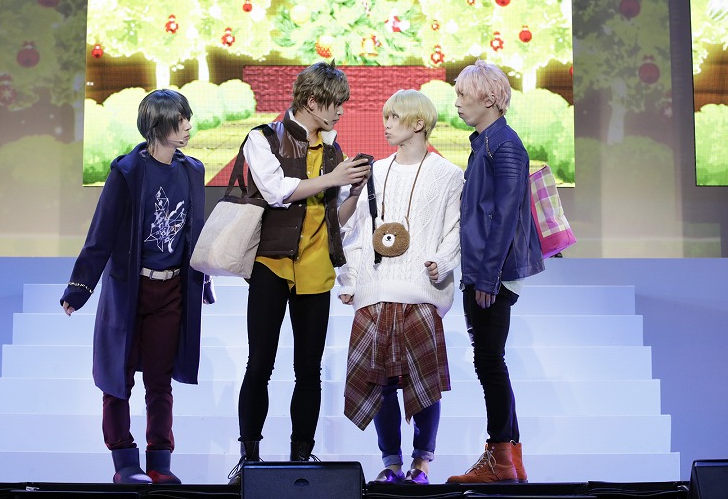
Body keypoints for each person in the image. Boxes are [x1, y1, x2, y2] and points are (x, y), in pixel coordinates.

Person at [59, 89, 214, 485]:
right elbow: (101, 234)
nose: (188, 126)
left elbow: (193, 232)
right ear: (158, 125)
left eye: (187, 117)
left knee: (160, 380)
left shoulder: (192, 170)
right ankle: (125, 463)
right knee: (118, 377)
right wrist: (79, 288)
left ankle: (160, 461)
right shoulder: (127, 172)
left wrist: (203, 280)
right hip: (130, 290)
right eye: (180, 120)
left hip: (172, 291)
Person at [227, 61, 371, 484]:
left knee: (309, 370)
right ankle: (249, 458)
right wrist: (333, 178)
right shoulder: (264, 138)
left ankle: (300, 457)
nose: (340, 111)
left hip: (316, 267)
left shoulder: (333, 151)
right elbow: (277, 192)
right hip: (271, 265)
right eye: (335, 103)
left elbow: (335, 219)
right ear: (312, 101)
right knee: (260, 362)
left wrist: (353, 191)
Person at [337, 90, 463, 485]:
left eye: (394, 117)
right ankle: (391, 464)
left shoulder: (448, 174)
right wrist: (350, 278)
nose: (386, 124)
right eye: (386, 117)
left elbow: (455, 229)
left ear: (418, 123)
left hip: (421, 290)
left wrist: (442, 262)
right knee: (379, 381)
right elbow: (358, 231)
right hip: (376, 288)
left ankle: (421, 465)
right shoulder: (374, 172)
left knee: (423, 380)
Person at [446, 60, 544, 484]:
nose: (457, 102)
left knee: (489, 362)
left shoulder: (504, 144)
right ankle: (510, 460)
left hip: (493, 271)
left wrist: (486, 277)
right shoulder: (487, 142)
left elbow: (504, 215)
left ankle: (500, 459)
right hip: (484, 268)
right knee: (490, 361)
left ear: (488, 98)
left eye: (463, 95)